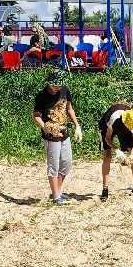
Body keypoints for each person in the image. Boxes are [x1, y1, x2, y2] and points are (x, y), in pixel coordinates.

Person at [33, 71, 83, 203]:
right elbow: (36, 116)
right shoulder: (42, 96)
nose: (58, 88)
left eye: (60, 86)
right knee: (53, 164)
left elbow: (69, 108)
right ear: (49, 83)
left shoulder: (65, 90)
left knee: (67, 163)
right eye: (56, 86)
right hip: (50, 135)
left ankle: (58, 191)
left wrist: (77, 126)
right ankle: (55, 195)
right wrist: (44, 126)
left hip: (64, 132)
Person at [99, 102, 133, 198]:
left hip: (125, 128)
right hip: (107, 128)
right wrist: (116, 150)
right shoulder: (115, 118)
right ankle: (105, 189)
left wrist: (131, 156)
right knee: (107, 154)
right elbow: (108, 138)